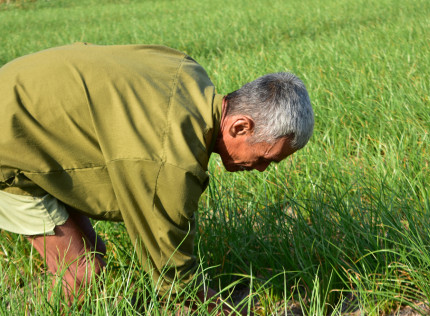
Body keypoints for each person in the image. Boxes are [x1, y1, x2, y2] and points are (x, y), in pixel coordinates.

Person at [0, 43, 314, 313]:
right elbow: (175, 278)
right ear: (240, 126)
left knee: (91, 250)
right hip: (10, 143)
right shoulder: (171, 164)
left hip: (25, 100)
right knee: (81, 274)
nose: (261, 170)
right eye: (265, 159)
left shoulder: (189, 72)